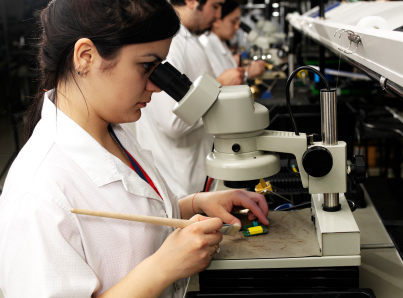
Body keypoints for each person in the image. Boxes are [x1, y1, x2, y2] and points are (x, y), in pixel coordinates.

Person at [0, 1, 269, 298]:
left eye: (159, 68)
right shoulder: (37, 193)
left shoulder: (113, 132)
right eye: (146, 66)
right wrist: (162, 268)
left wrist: (194, 203)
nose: (156, 86)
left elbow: (118, 222)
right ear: (86, 57)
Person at [135, 0, 248, 199]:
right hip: (179, 185)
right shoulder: (170, 43)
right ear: (192, 2)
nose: (217, 14)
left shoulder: (189, 38)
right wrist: (218, 84)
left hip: (196, 178)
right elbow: (173, 123)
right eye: (215, 6)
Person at [199, 0, 266, 79]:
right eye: (233, 22)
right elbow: (220, 83)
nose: (237, 27)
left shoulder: (220, 42)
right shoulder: (207, 45)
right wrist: (247, 72)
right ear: (216, 21)